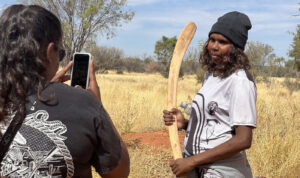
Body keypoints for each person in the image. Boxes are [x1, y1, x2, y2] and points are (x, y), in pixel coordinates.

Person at [0, 4, 129, 178]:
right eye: (60, 53)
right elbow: (118, 173)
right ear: (48, 52)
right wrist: (98, 105)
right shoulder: (82, 103)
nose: (60, 60)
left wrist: (40, 91)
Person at [163, 11, 256, 178]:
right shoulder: (212, 75)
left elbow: (243, 139)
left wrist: (191, 162)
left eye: (223, 42)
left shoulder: (239, 81)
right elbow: (217, 123)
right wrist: (184, 123)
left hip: (221, 171)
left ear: (236, 48)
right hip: (198, 168)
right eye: (212, 39)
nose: (214, 46)